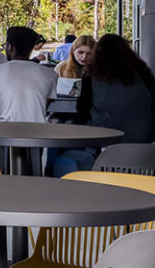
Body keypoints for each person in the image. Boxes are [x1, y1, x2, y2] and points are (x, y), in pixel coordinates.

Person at [52, 34, 155, 176]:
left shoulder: (93, 76)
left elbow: (82, 111)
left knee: (61, 146)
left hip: (106, 142)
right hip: (145, 146)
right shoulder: (143, 74)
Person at [0, 26, 56, 124]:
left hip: (4, 131)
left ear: (10, 47)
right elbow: (41, 107)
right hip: (38, 131)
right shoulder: (51, 75)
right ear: (31, 48)